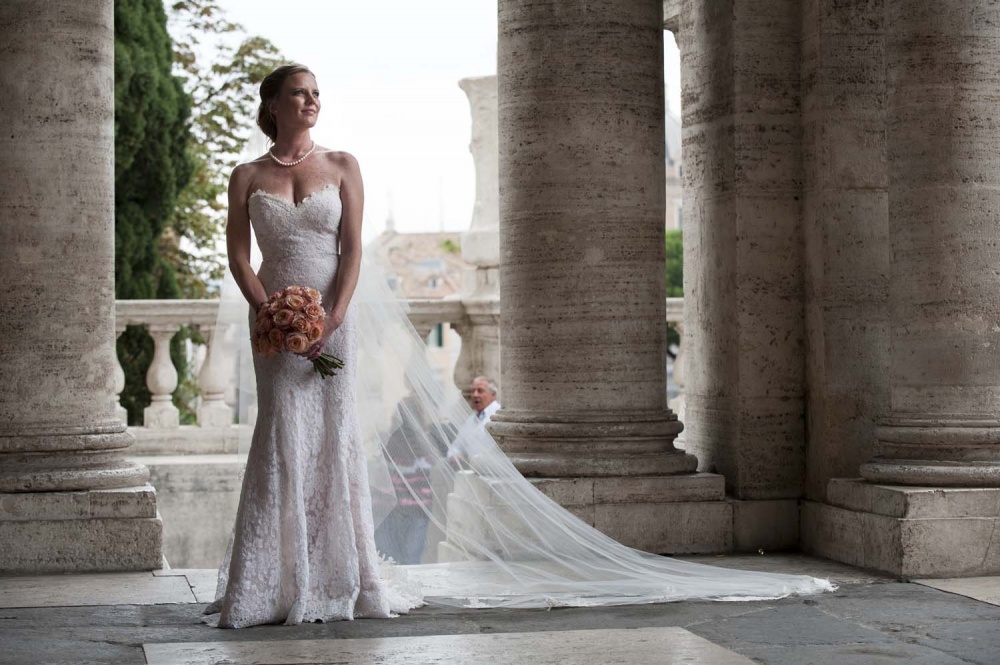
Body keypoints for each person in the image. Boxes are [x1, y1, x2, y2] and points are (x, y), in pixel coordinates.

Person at [205, 63, 835, 629]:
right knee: (282, 440)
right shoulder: (247, 175)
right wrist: (273, 316)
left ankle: (339, 577)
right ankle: (274, 581)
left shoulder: (342, 166)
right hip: (276, 336)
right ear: (274, 105)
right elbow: (239, 253)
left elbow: (352, 252)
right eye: (299, 93)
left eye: (318, 92)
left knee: (333, 447)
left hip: (332, 325)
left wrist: (332, 319)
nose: (312, 101)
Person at [446, 376, 501, 465]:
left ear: (493, 394)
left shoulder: (499, 415)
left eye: (480, 391)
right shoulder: (470, 420)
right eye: (473, 391)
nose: (475, 395)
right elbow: (456, 446)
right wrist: (455, 455)